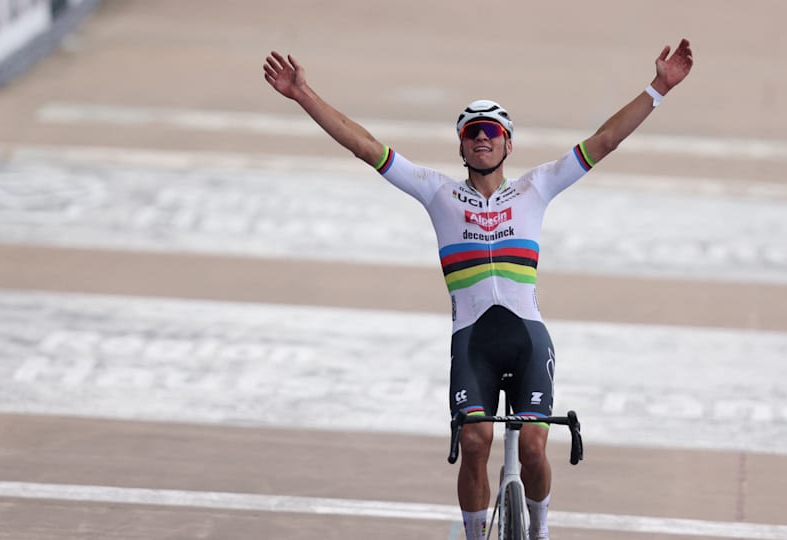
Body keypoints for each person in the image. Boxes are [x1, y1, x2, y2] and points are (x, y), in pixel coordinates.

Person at [264, 39, 693, 540]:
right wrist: (303, 94)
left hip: (527, 338)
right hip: (473, 343)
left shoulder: (538, 187)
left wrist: (659, 88)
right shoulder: (437, 192)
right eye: (472, 133)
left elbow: (605, 140)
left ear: (509, 144)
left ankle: (541, 532)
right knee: (474, 442)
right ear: (461, 146)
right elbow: (364, 145)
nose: (482, 139)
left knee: (533, 447)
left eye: (492, 131)